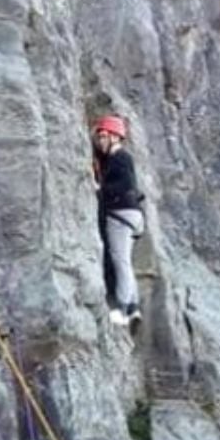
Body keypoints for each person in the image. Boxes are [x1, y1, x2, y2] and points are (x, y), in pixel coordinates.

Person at [92, 114, 145, 328]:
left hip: (120, 215)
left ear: (115, 137)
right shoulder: (119, 159)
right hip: (132, 215)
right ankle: (133, 308)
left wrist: (100, 189)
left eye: (104, 136)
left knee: (120, 261)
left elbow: (125, 185)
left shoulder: (120, 158)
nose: (101, 140)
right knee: (126, 262)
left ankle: (122, 309)